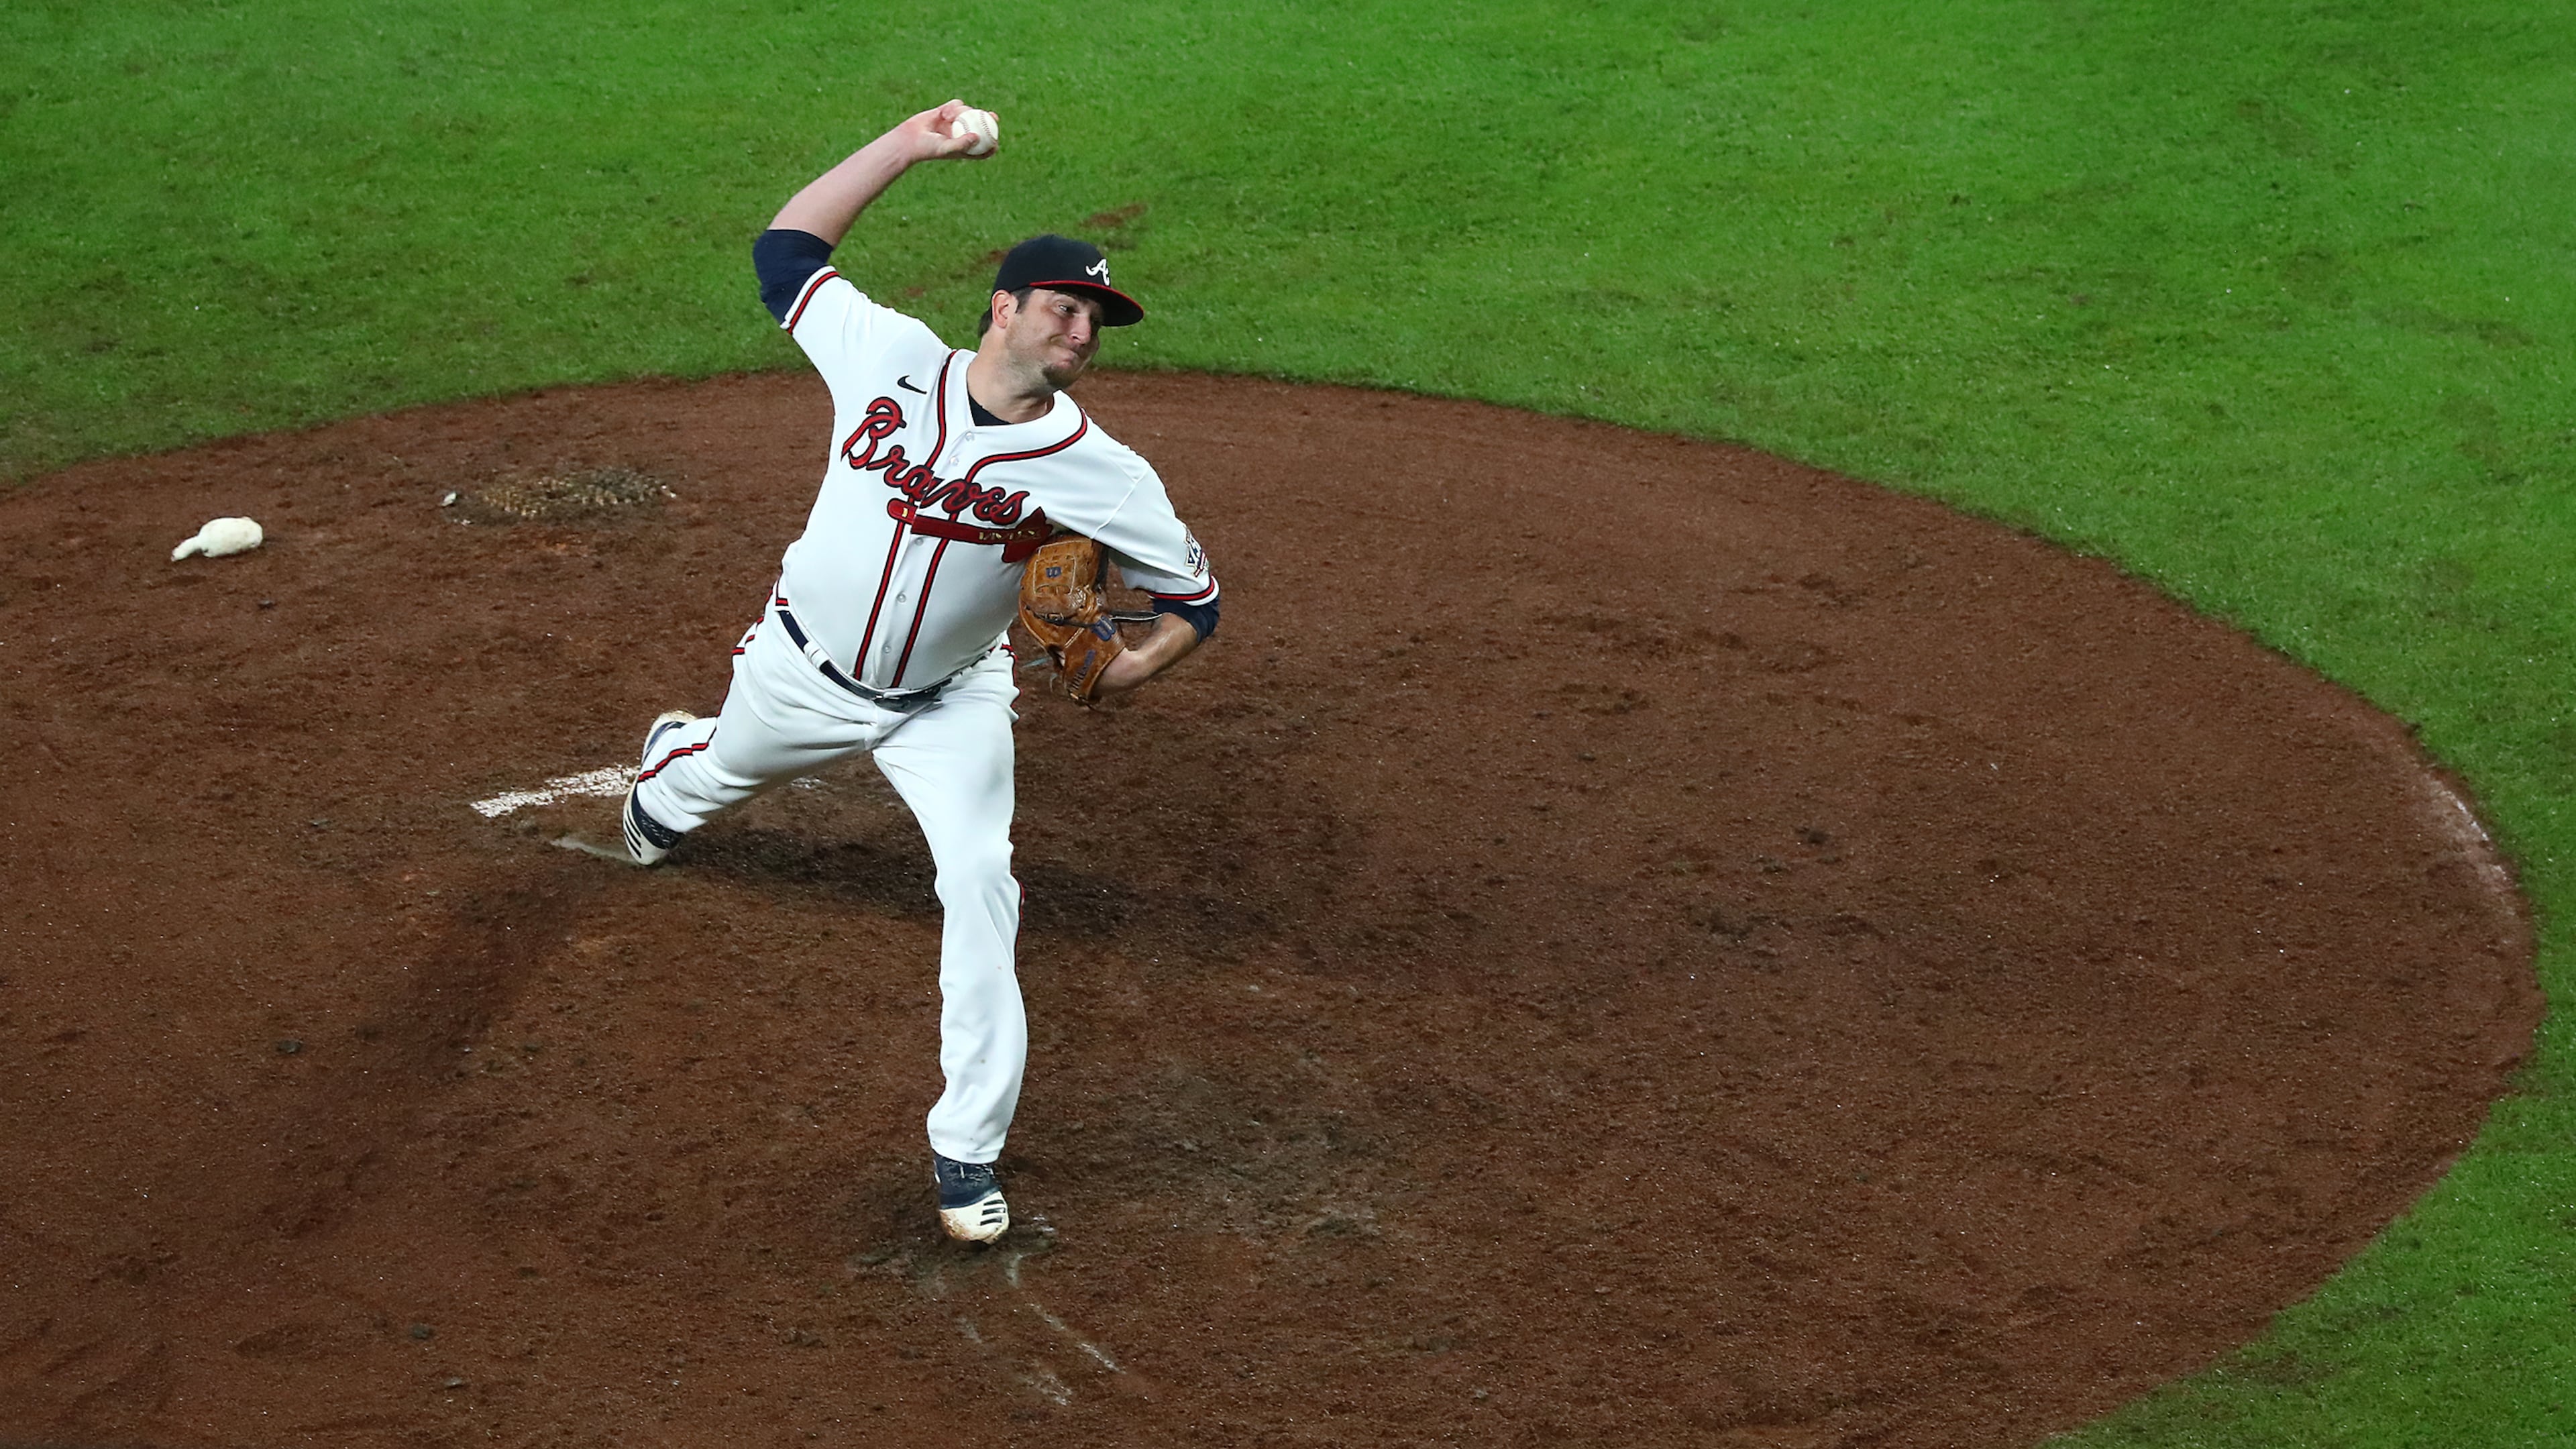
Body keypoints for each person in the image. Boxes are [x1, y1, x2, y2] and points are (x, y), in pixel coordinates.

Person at [618, 100, 1219, 1244]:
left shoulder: (1102, 471)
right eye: (1064, 307)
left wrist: (1129, 672)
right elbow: (786, 251)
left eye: (1098, 319)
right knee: (705, 785)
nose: (1083, 332)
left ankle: (965, 1152)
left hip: (952, 705)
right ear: (1004, 308)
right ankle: (665, 774)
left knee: (982, 883)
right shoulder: (889, 357)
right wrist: (906, 146)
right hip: (799, 671)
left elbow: (1197, 598)